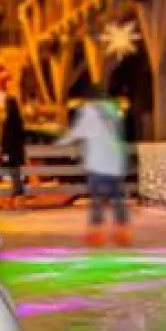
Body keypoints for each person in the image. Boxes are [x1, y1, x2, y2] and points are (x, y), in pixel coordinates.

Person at [56, 84, 131, 247]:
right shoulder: (114, 111)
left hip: (98, 164)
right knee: (118, 198)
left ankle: (96, 234)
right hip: (115, 162)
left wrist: (60, 141)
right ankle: (123, 232)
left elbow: (79, 132)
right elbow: (120, 136)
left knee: (96, 199)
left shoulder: (90, 111)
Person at [0, 95, 28, 199]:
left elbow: (6, 140)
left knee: (13, 174)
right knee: (16, 173)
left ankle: (17, 192)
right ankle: (18, 192)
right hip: (17, 153)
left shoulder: (7, 122)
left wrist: (4, 154)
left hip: (10, 153)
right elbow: (21, 138)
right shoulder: (19, 121)